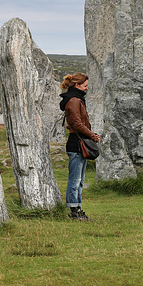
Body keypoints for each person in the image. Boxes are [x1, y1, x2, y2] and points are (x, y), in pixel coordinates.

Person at [59, 73, 100, 220]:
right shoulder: (74, 101)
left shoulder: (75, 99)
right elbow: (77, 123)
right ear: (77, 85)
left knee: (79, 180)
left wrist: (90, 134)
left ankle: (77, 209)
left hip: (79, 141)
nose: (87, 88)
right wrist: (92, 135)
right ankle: (74, 211)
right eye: (85, 86)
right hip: (76, 143)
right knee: (75, 180)